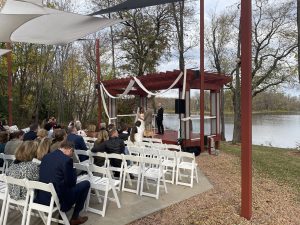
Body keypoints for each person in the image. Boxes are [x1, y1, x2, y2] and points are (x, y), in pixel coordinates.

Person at [35, 141, 90, 225]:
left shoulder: (46, 156)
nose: (72, 155)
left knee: (62, 184)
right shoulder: (66, 160)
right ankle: (75, 217)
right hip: (57, 198)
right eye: (72, 152)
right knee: (86, 184)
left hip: (42, 195)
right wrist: (73, 169)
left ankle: (64, 217)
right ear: (70, 149)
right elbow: (71, 183)